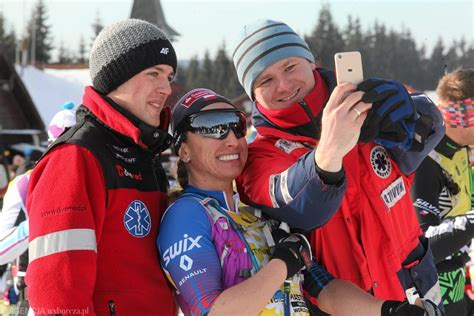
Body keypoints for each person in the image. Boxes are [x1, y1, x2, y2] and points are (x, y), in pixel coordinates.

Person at [157, 88, 437, 316]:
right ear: (183, 150)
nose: (231, 139)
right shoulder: (186, 215)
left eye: (236, 126)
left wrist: (390, 310)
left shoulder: (256, 213)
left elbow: (323, 288)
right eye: (212, 128)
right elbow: (211, 312)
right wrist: (281, 265)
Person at [231, 19, 446, 312]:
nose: (283, 85)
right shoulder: (258, 157)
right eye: (265, 80)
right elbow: (303, 208)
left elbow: (429, 135)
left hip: (415, 293)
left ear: (311, 61)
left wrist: (414, 112)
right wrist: (330, 151)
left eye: (290, 67)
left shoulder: (366, 108)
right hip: (347, 304)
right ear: (252, 94)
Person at [26, 19, 177, 315]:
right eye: (154, 73)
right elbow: (57, 291)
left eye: (169, 76)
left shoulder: (142, 153)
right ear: (116, 77)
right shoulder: (76, 156)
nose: (166, 88)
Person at [411, 68, 474, 315]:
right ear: (467, 118)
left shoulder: (461, 150)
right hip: (429, 291)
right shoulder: (426, 161)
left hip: (456, 282)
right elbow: (423, 245)